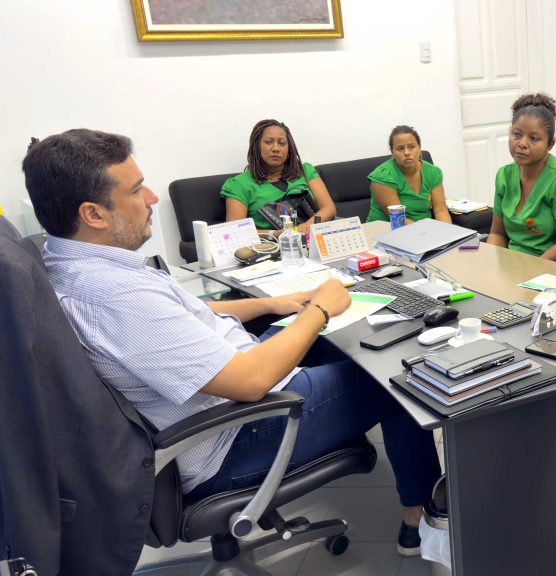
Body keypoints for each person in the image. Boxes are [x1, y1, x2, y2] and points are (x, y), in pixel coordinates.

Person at [24, 129, 439, 557]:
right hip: (238, 433)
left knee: (337, 339)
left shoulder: (73, 263)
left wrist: (275, 304)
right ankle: (424, 520)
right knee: (399, 374)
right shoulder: (113, 295)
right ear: (93, 214)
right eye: (135, 190)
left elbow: (188, 312)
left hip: (229, 381)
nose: (150, 197)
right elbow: (250, 381)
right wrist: (319, 309)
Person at [487, 93, 556, 262]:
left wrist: (530, 273)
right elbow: (498, 233)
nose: (522, 144)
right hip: (514, 264)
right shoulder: (504, 175)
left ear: (550, 145)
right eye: (516, 134)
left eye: (533, 138)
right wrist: (489, 262)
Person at [222, 119, 336, 236]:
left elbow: (329, 207)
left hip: (314, 237)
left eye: (282, 143)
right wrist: (276, 234)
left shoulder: (305, 171)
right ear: (256, 146)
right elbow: (236, 231)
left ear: (289, 149)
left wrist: (306, 227)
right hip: (272, 244)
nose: (276, 148)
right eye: (268, 142)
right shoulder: (239, 184)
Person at [366, 125, 452, 226]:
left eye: (411, 147)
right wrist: (428, 233)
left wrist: (447, 232)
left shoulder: (432, 172)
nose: (407, 153)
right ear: (392, 152)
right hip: (387, 230)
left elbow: (440, 210)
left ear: (419, 148)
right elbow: (399, 219)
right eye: (400, 148)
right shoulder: (383, 176)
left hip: (424, 229)